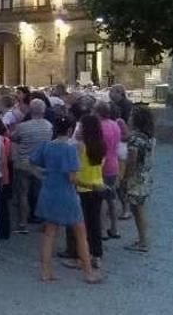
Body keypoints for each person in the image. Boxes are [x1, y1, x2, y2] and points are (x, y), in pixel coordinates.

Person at [31, 115, 100, 284]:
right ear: (70, 130)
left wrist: (43, 176)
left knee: (49, 234)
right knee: (81, 234)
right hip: (67, 195)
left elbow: (32, 164)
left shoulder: (46, 146)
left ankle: (45, 271)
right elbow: (72, 178)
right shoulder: (70, 149)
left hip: (48, 193)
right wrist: (91, 186)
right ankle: (88, 272)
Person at [62, 114, 107, 269]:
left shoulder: (79, 146)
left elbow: (71, 165)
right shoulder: (101, 144)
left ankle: (77, 255)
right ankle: (97, 255)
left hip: (82, 186)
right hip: (98, 185)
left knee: (78, 224)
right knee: (95, 223)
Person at [10, 99, 53, 234]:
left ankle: (22, 223)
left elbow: (14, 138)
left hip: (23, 163)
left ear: (30, 110)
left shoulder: (23, 126)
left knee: (22, 194)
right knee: (39, 193)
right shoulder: (49, 126)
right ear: (43, 111)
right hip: (40, 165)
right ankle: (41, 219)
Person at [124, 106, 155, 253]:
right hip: (145, 176)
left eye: (131, 116)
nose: (128, 119)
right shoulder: (148, 136)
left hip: (136, 178)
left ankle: (143, 241)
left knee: (137, 210)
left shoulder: (135, 139)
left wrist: (125, 178)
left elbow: (132, 160)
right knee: (139, 209)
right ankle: (142, 238)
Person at [95, 102, 123, 240]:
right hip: (114, 163)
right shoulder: (115, 124)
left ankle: (101, 229)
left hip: (103, 165)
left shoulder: (99, 126)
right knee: (112, 197)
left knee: (102, 199)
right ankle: (114, 228)